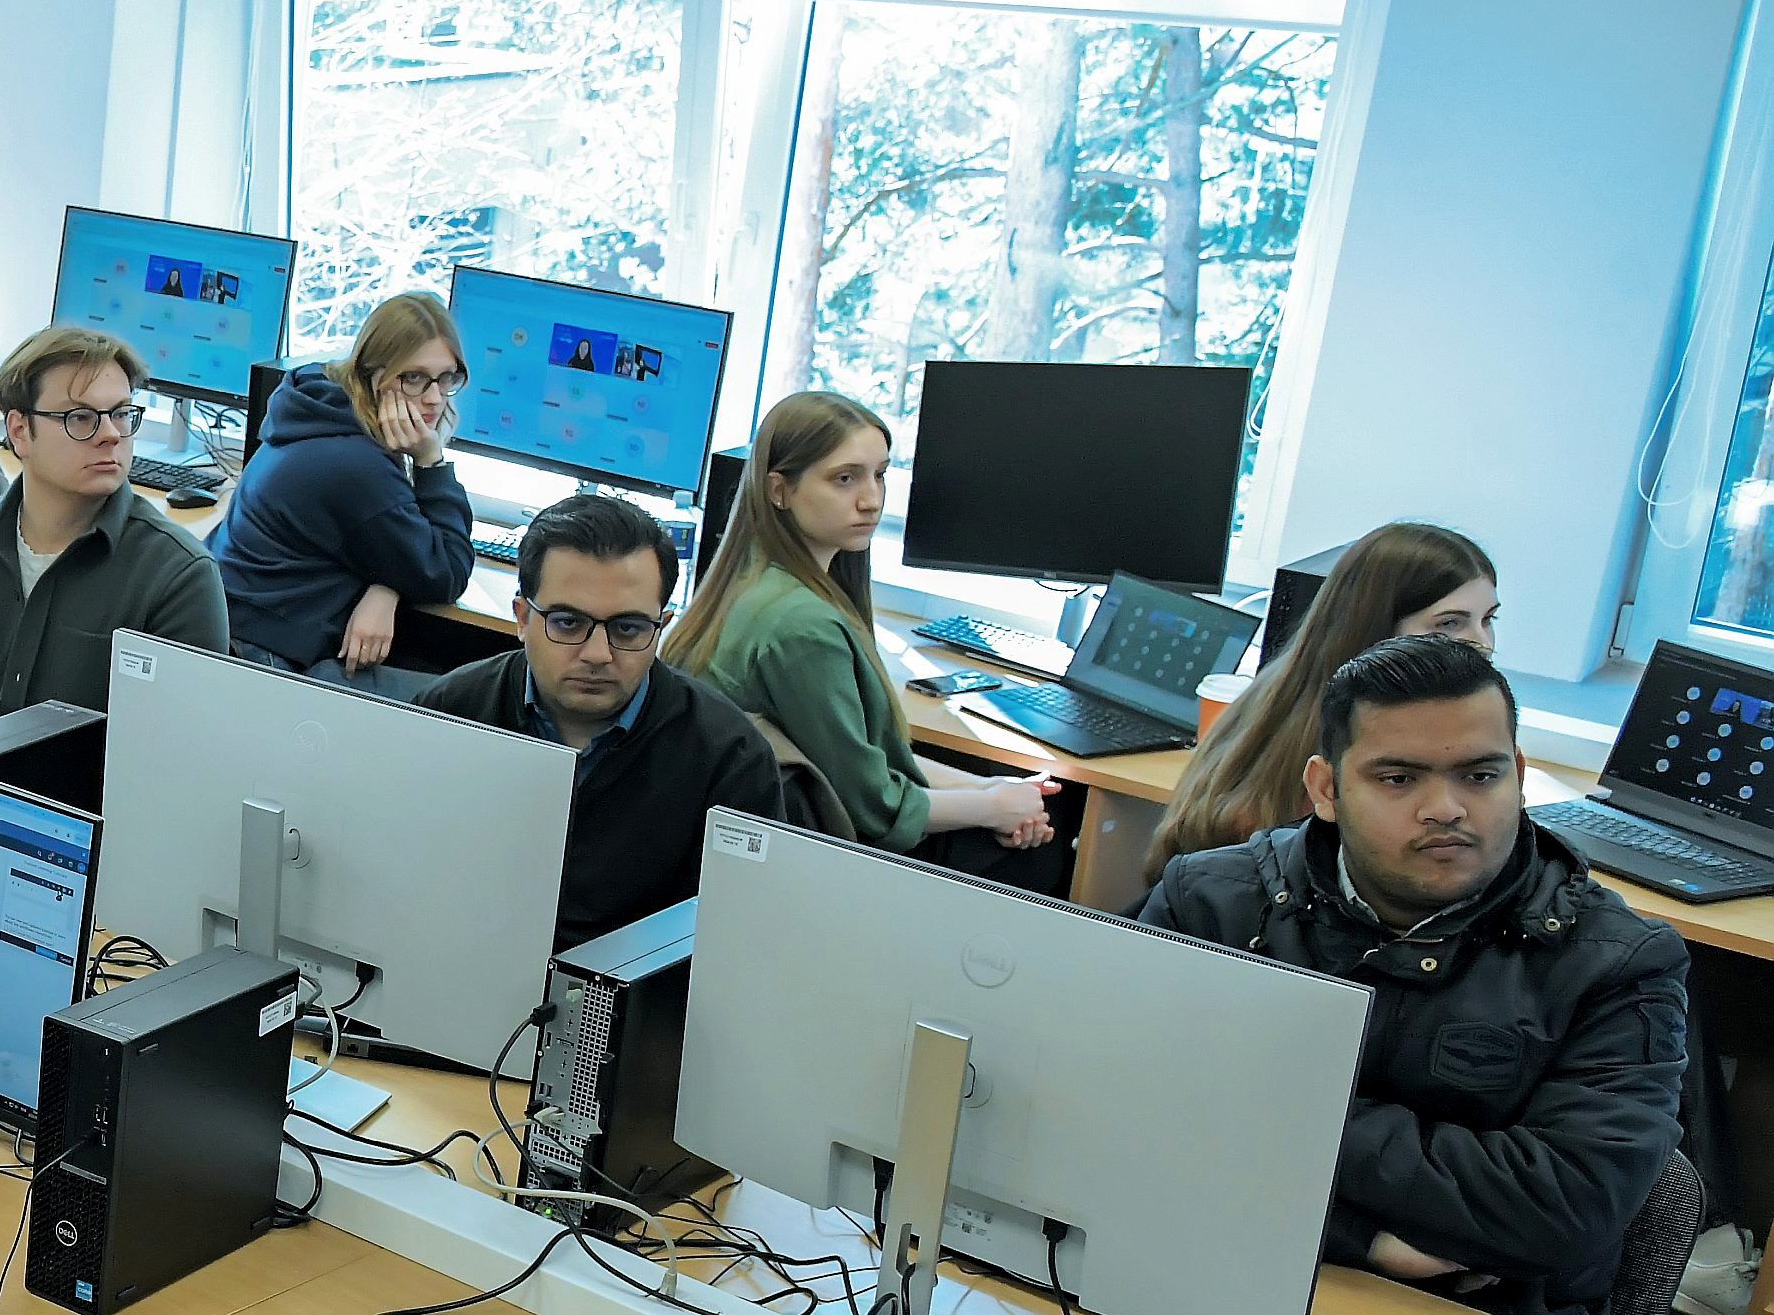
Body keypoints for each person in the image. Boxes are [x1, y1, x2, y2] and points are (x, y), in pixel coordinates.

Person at [1134, 634, 1689, 1315]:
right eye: (1399, 779)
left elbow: (1565, 1212)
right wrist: (1360, 1237)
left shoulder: (1618, 963)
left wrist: (1253, 1106)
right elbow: (1116, 1115)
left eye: (1480, 776)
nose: (1446, 808)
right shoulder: (1210, 901)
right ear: (1326, 789)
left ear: (1519, 775)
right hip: (1210, 1271)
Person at [663, 388, 1066, 888]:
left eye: (880, 475)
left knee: (1024, 807)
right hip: (808, 862)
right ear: (778, 490)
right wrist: (993, 807)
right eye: (845, 478)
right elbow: (875, 809)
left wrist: (993, 790)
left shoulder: (746, 582)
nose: (871, 500)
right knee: (1043, 851)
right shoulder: (803, 627)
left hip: (744, 848)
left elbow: (864, 759)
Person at [416, 491, 799, 950]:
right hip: (459, 961)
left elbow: (736, 942)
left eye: (628, 628)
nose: (597, 654)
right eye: (567, 622)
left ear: (662, 627)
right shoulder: (445, 714)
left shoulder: (730, 758)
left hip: (634, 991)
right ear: (522, 618)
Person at [0, 322, 232, 743]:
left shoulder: (179, 577)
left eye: (121, 414)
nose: (110, 435)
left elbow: (175, 758)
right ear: (19, 431)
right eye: (80, 417)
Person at [1146, 523, 1500, 884]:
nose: (1482, 643)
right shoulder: (1334, 742)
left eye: (1488, 619)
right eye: (1450, 624)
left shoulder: (1286, 684)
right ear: (1381, 627)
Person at [211, 292, 475, 689]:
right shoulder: (356, 464)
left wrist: (387, 585)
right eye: (414, 378)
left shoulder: (317, 409)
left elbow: (394, 545)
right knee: (465, 696)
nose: (435, 397)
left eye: (447, 377)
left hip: (239, 628)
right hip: (267, 660)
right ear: (373, 374)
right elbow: (447, 571)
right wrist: (431, 461)